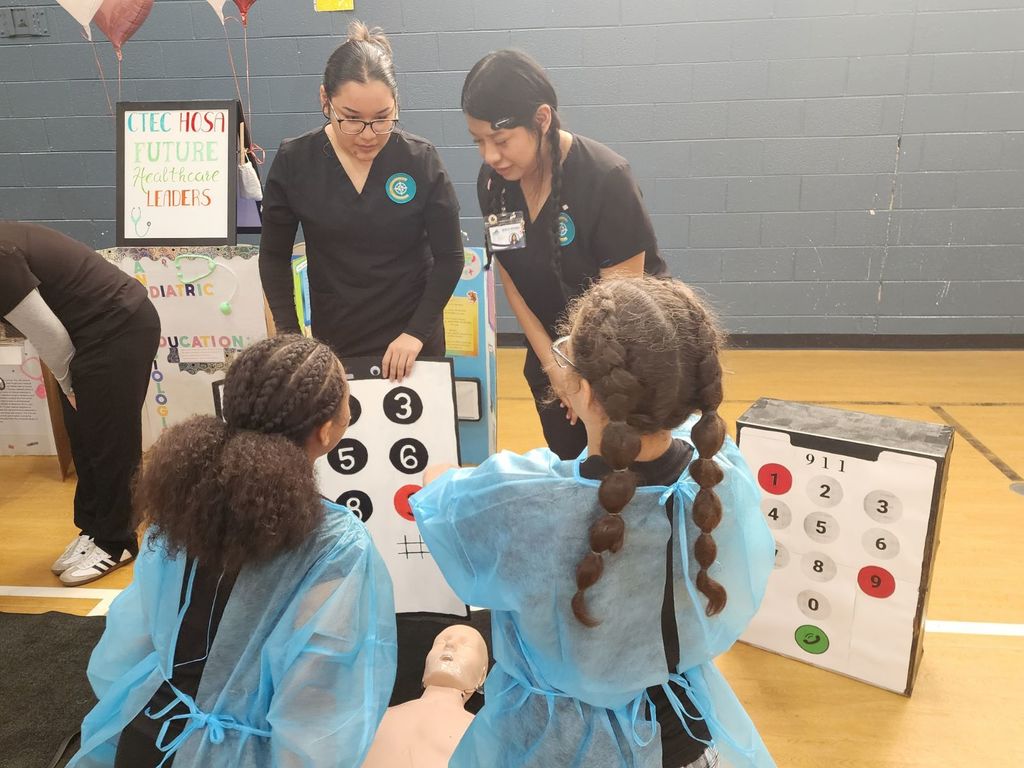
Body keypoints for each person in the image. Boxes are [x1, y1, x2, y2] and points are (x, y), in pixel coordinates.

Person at [411, 277, 776, 768]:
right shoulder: (720, 474)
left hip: (559, 745)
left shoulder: (526, 496)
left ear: (582, 389)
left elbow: (440, 495)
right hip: (683, 736)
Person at [68, 335, 397, 768]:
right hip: (243, 755)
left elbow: (127, 646)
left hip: (146, 735)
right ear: (327, 431)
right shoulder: (337, 545)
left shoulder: (181, 499)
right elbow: (323, 710)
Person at [462, 49, 667, 459]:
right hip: (552, 359)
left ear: (542, 119)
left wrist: (583, 379)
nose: (489, 156)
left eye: (500, 140)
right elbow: (512, 281)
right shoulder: (494, 184)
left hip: (622, 359)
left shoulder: (606, 180)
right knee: (574, 471)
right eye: (479, 142)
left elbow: (619, 305)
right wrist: (555, 368)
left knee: (623, 476)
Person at [260, 21, 464, 382]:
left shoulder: (420, 160)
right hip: (337, 340)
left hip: (412, 340)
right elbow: (274, 257)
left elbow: (450, 258)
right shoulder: (295, 161)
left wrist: (416, 333)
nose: (368, 135)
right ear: (325, 100)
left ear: (396, 104)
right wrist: (290, 336)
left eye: (382, 119)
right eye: (351, 120)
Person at [0, 221, 160, 586]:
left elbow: (51, 338)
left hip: (120, 327)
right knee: (85, 439)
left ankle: (117, 542)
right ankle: (93, 530)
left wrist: (68, 383)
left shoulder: (0, 258)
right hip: (85, 335)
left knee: (108, 441)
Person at [363, 624, 488, 768]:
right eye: (441, 642)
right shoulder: (371, 718)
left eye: (465, 644)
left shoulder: (486, 737)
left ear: (482, 677)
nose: (450, 644)